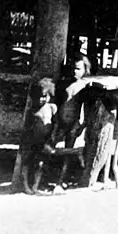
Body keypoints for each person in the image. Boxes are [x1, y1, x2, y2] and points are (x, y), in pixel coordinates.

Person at [50, 54, 93, 188]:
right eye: (73, 69)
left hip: (74, 123)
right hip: (59, 121)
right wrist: (56, 121)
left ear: (85, 70)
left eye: (79, 69)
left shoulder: (85, 86)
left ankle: (61, 179)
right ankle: (45, 175)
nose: (75, 72)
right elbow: (57, 102)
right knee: (49, 148)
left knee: (68, 151)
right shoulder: (63, 84)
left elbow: (85, 107)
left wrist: (83, 124)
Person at [19, 78, 57, 194]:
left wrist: (52, 138)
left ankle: (36, 185)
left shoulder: (52, 108)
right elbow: (27, 127)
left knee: (41, 164)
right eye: (39, 96)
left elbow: (55, 124)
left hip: (45, 141)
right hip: (32, 141)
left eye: (45, 96)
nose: (42, 99)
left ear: (50, 95)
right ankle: (26, 186)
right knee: (27, 162)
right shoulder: (32, 111)